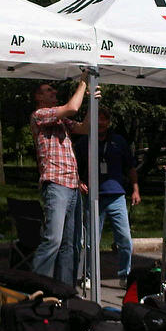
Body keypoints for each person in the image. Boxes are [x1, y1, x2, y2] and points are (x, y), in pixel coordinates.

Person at [30, 70, 99, 286]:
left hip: (72, 186)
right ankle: (37, 287)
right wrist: (83, 83)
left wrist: (91, 102)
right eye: (48, 90)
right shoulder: (40, 115)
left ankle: (64, 291)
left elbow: (85, 128)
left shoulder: (61, 122)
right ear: (38, 97)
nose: (54, 92)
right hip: (56, 185)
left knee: (70, 244)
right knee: (54, 240)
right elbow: (72, 107)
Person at [74, 106, 140, 288]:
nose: (101, 123)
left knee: (125, 239)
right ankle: (88, 275)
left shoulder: (119, 141)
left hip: (117, 195)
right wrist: (79, 181)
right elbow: (74, 166)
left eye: (104, 119)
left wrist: (135, 189)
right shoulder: (84, 142)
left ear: (108, 122)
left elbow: (131, 167)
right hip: (93, 197)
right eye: (98, 119)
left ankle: (124, 274)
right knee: (90, 241)